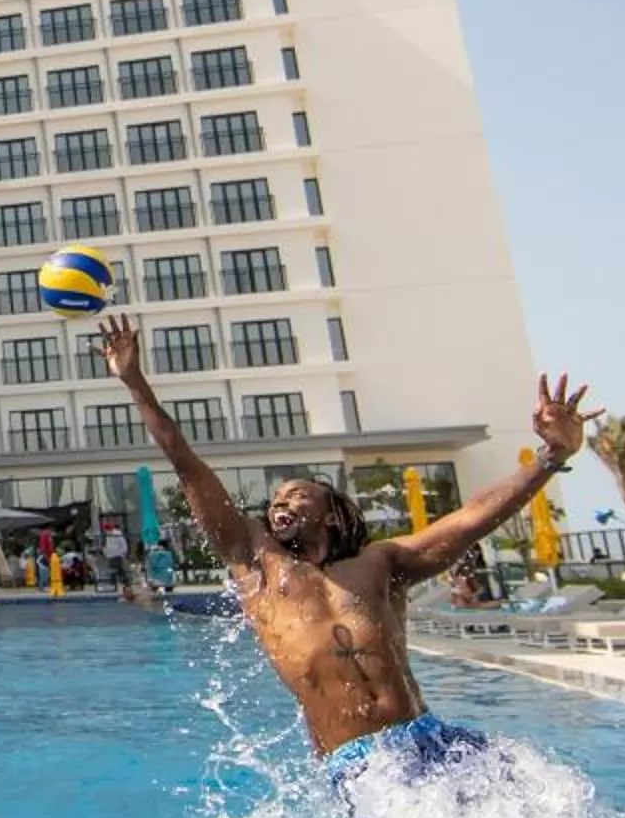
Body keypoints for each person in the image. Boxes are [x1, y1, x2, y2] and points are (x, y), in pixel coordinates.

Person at [98, 313, 594, 784]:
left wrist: (549, 458)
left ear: (331, 514)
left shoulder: (381, 564)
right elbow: (186, 465)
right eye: (273, 501)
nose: (280, 504)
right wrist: (134, 382)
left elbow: (469, 520)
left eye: (296, 495)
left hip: (430, 737)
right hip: (360, 765)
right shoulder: (257, 566)